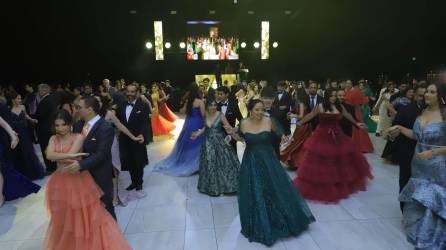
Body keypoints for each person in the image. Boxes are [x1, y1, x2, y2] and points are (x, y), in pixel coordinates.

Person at [230, 99, 315, 246]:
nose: (260, 112)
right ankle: (261, 221)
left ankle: (283, 218)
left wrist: (286, 138)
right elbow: (240, 138)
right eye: (257, 110)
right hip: (251, 162)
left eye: (262, 109)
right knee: (256, 191)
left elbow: (283, 135)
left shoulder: (270, 121)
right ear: (250, 110)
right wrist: (232, 135)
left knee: (275, 188)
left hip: (269, 160)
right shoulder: (243, 123)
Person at [44, 110, 131, 250]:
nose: (59, 128)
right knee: (65, 217)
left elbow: (68, 156)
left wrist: (60, 155)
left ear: (70, 124)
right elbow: (49, 155)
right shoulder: (53, 138)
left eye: (63, 125)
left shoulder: (78, 137)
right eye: (57, 125)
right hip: (58, 182)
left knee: (85, 216)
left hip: (77, 181)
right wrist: (66, 155)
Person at [386, 82, 446, 249]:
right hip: (418, 164)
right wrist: (399, 127)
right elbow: (416, 135)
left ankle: (433, 235)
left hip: (438, 166)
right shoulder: (423, 111)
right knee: (420, 198)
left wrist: (433, 153)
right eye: (426, 91)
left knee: (434, 199)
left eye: (432, 92)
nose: (427, 94)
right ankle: (421, 230)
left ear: (440, 95)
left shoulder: (445, 114)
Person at [293, 89, 373, 203]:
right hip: (322, 136)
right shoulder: (320, 106)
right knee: (321, 160)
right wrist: (300, 122)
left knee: (339, 159)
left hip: (337, 135)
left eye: (335, 96)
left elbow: (348, 115)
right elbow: (311, 115)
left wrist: (357, 124)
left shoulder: (339, 106)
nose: (334, 98)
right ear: (327, 96)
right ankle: (322, 182)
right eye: (332, 96)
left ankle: (338, 182)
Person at [63, 96, 116, 219]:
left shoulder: (105, 127)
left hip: (100, 175)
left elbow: (101, 154)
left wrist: (80, 165)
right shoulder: (78, 125)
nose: (76, 110)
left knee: (105, 207)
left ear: (90, 109)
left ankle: (112, 236)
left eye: (79, 108)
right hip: (80, 176)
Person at [386, 85, 425, 212]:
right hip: (408, 152)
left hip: (430, 156)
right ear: (415, 95)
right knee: (406, 181)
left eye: (428, 95)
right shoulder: (405, 110)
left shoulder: (439, 113)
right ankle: (406, 210)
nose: (424, 98)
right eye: (421, 95)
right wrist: (394, 134)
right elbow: (395, 129)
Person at [191, 98, 240, 196]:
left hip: (220, 141)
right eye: (211, 105)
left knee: (224, 163)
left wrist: (232, 136)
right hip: (208, 143)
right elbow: (206, 127)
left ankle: (229, 187)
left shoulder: (220, 115)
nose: (213, 107)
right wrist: (197, 133)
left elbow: (228, 127)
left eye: (215, 105)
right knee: (210, 163)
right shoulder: (205, 115)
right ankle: (212, 188)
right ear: (207, 106)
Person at [154, 84, 205, 177]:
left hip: (188, 124)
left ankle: (186, 161)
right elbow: (203, 115)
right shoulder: (200, 102)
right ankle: (195, 165)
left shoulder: (189, 101)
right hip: (197, 123)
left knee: (187, 144)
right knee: (198, 144)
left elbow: (182, 111)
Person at [116, 84, 150, 192]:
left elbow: (145, 123)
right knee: (129, 162)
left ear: (137, 93)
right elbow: (118, 122)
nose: (130, 94)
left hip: (138, 138)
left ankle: (139, 182)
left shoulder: (142, 105)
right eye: (128, 91)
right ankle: (133, 182)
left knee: (138, 162)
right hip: (125, 139)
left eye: (132, 92)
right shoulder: (121, 106)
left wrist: (142, 134)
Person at [8, 91, 44, 180]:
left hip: (24, 132)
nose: (20, 100)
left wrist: (32, 120)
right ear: (13, 100)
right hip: (15, 133)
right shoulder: (8, 109)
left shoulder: (23, 107)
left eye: (20, 98)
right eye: (18, 99)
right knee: (18, 152)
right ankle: (21, 173)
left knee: (27, 151)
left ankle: (31, 173)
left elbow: (26, 116)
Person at [345, 80, 374, 153]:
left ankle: (361, 146)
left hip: (354, 111)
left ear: (352, 84)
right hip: (346, 112)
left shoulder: (355, 91)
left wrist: (359, 106)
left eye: (349, 83)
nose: (348, 84)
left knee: (358, 128)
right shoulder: (344, 91)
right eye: (347, 83)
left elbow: (363, 100)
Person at [35, 84, 58, 174]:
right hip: (50, 127)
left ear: (44, 91)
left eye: (39, 90)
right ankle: (53, 166)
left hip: (44, 128)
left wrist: (34, 118)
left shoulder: (45, 101)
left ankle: (50, 168)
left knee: (46, 147)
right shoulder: (51, 99)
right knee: (50, 147)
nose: (38, 92)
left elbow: (40, 115)